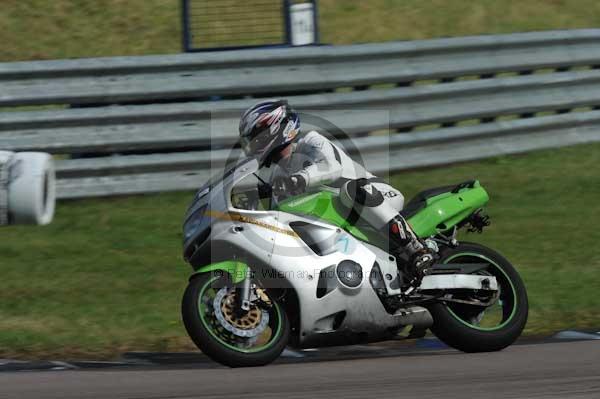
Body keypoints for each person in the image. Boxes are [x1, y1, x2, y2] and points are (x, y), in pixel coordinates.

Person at [238, 100, 435, 281]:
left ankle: (416, 250)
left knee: (352, 190)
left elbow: (332, 167)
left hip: (376, 197)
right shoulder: (277, 175)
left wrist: (299, 179)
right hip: (341, 225)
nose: (254, 144)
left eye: (257, 137)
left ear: (276, 128)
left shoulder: (311, 142)